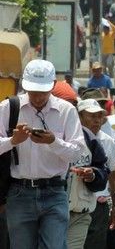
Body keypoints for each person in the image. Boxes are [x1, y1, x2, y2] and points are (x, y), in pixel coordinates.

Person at [0, 59, 85, 249]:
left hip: (54, 191)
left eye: (42, 92)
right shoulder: (8, 108)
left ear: (53, 85)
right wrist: (12, 141)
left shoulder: (66, 111)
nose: (37, 97)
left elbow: (77, 153)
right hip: (19, 193)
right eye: (33, 91)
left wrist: (53, 142)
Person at [67, 99, 111, 249]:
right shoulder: (61, 135)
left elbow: (106, 175)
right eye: (92, 116)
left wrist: (92, 175)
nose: (97, 120)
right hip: (54, 212)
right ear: (78, 116)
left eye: (99, 116)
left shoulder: (99, 142)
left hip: (84, 211)